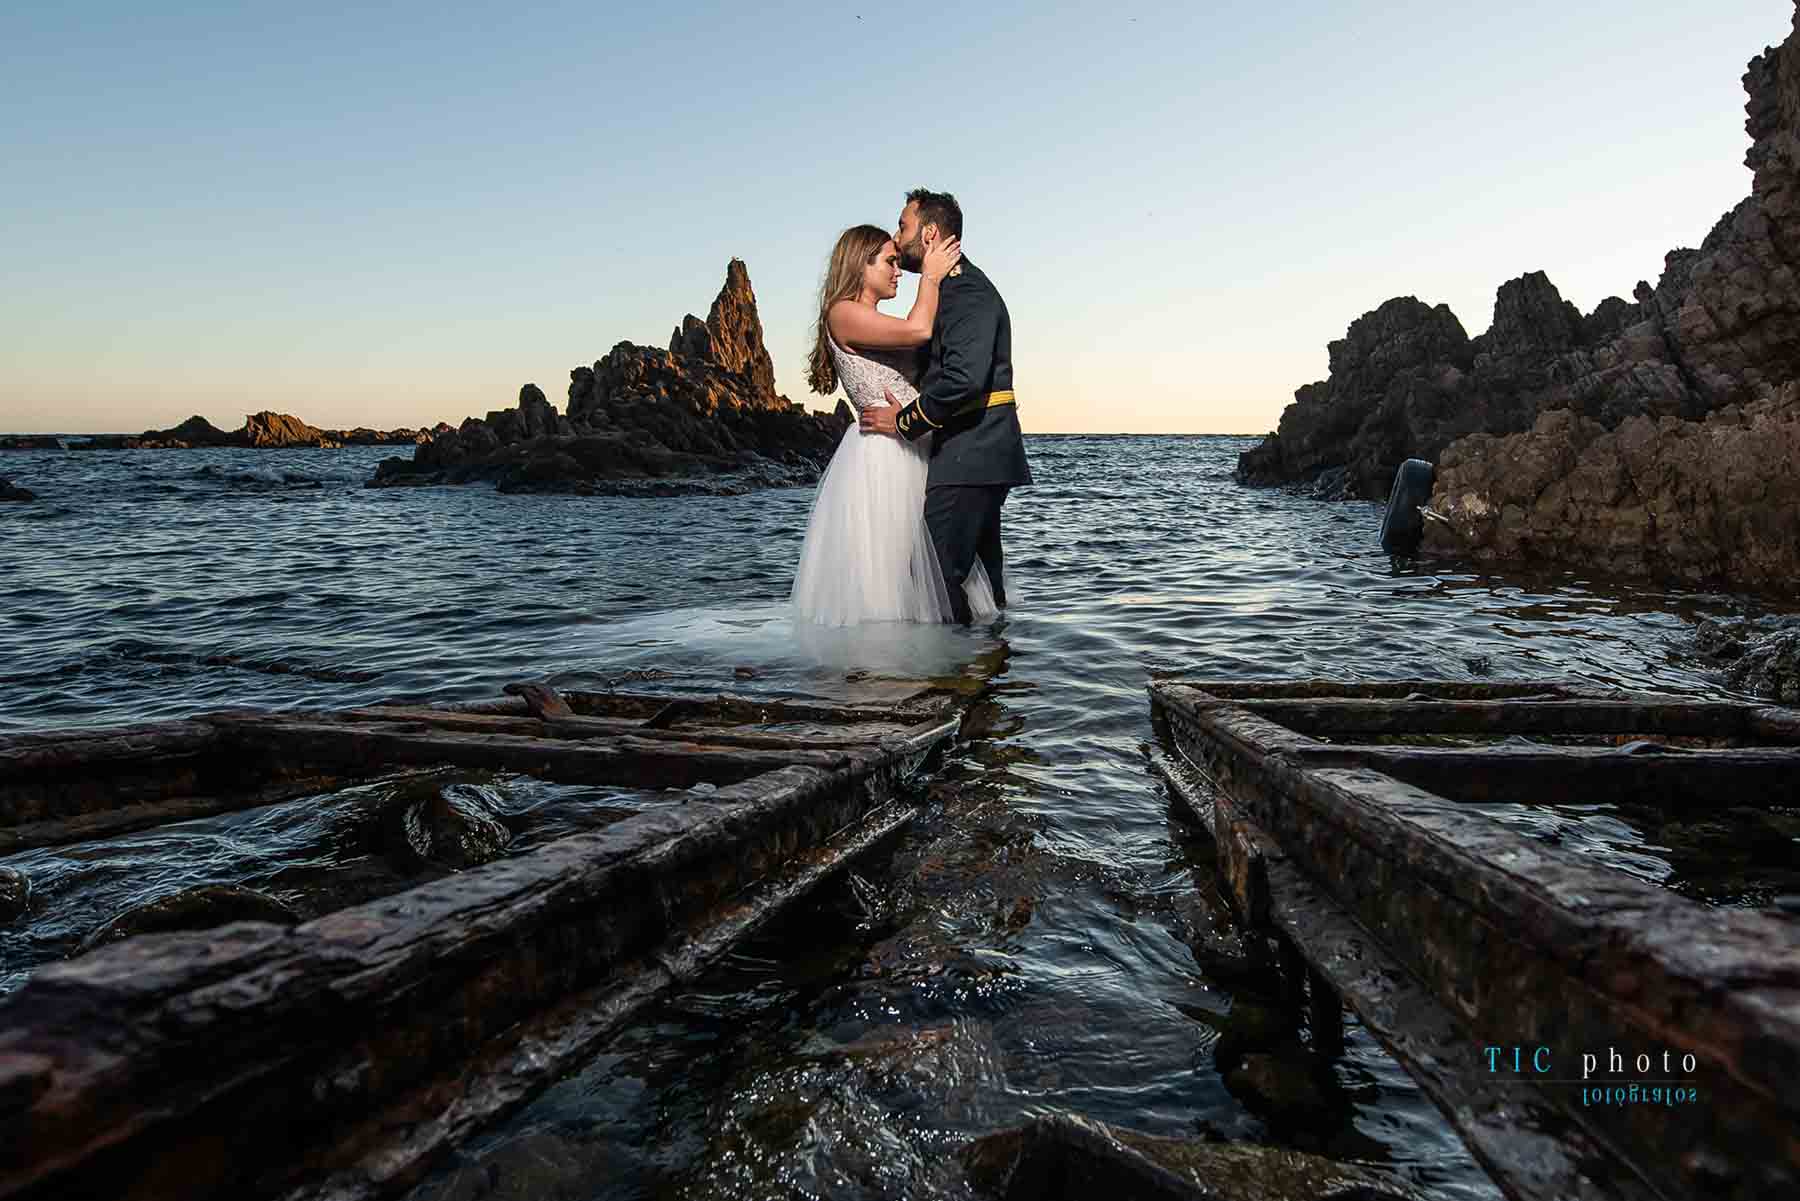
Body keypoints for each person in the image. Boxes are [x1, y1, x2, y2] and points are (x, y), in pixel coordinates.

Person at [790, 223, 999, 626]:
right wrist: (933, 277)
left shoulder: (871, 319)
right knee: (891, 565)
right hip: (883, 455)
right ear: (859, 263)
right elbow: (919, 330)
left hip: (909, 442)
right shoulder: (843, 312)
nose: (898, 271)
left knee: (926, 559)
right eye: (889, 262)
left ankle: (940, 665)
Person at [859, 189, 1032, 625]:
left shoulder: (967, 293)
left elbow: (964, 380)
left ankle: (951, 684)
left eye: (903, 226)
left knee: (932, 579)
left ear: (930, 233)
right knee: (980, 584)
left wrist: (904, 422)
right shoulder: (947, 291)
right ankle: (986, 680)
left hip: (972, 451)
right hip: (971, 450)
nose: (897, 241)